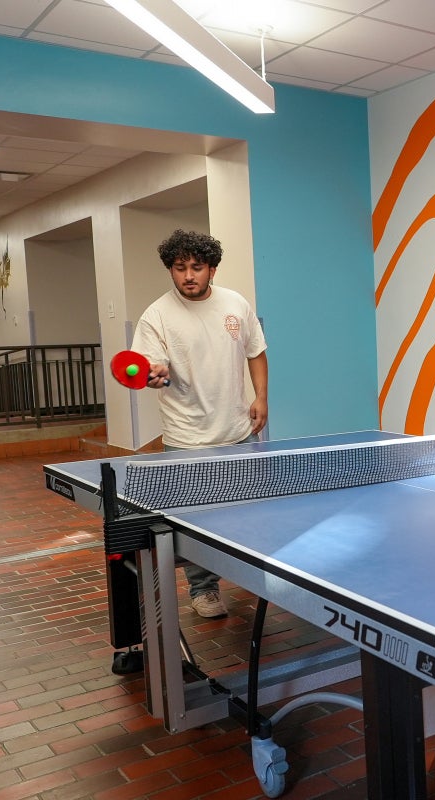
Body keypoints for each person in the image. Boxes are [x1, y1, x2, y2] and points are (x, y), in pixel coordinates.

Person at [132, 229, 269, 619]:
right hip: (186, 436)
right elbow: (150, 368)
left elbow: (256, 352)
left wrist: (260, 397)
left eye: (196, 267)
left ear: (212, 268)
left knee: (246, 512)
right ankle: (203, 588)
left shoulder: (235, 304)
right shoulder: (157, 315)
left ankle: (244, 572)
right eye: (179, 268)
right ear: (171, 270)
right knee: (195, 519)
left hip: (238, 432)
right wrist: (153, 374)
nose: (188, 275)